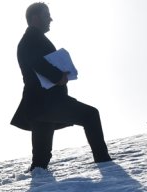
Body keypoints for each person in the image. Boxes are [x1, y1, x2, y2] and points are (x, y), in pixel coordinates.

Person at [10, 2, 112, 171]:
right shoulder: (31, 38)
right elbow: (36, 62)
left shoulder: (32, 38)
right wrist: (58, 77)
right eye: (46, 15)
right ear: (35, 18)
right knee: (91, 115)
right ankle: (106, 165)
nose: (50, 19)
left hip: (38, 106)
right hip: (47, 102)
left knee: (40, 162)